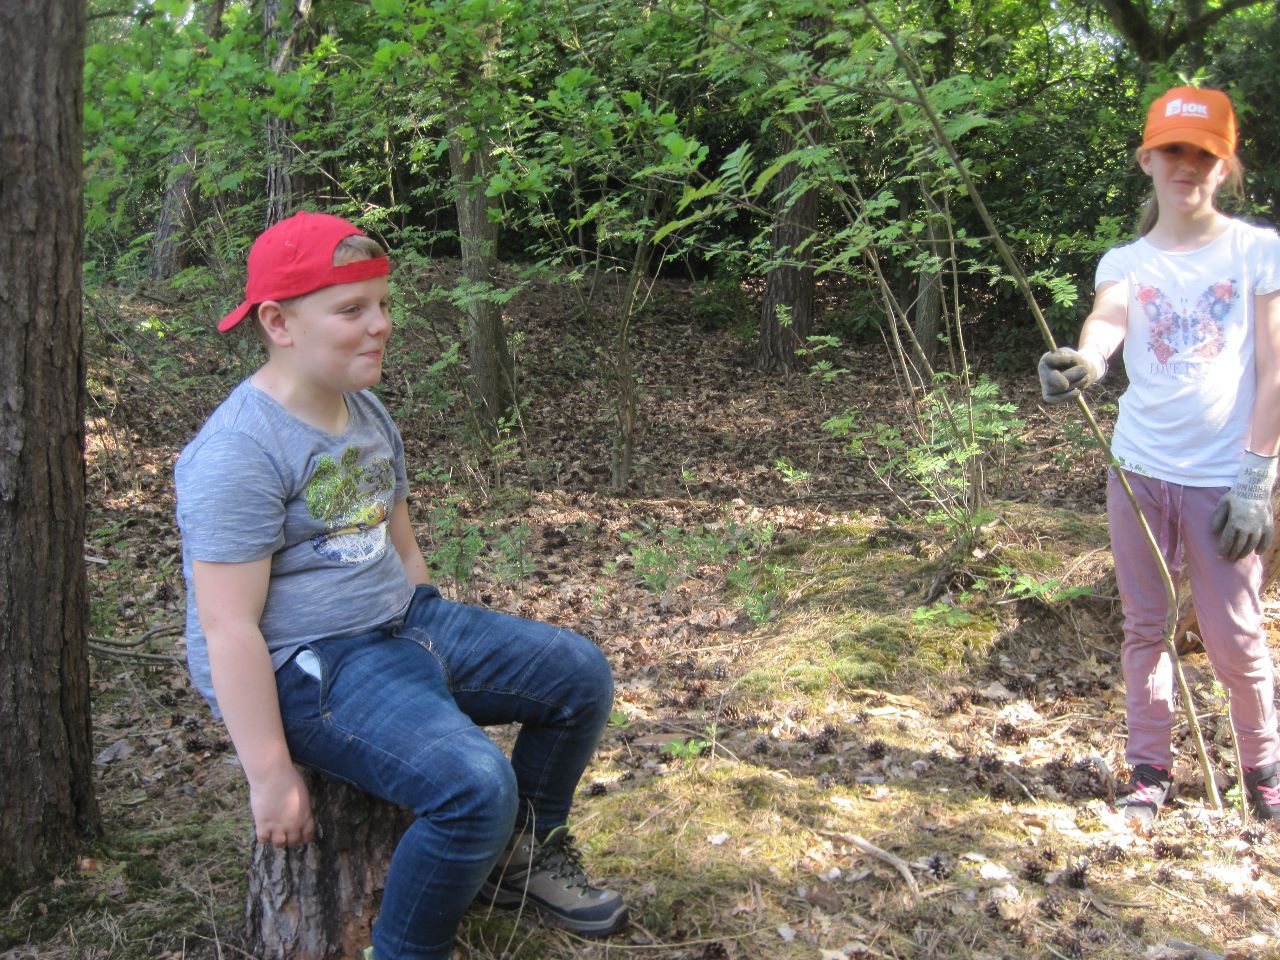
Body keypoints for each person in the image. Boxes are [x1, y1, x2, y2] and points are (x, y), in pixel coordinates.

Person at [175, 211, 627, 959]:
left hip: (399, 621)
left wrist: (434, 629)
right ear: (279, 322)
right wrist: (269, 771)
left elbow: (398, 534)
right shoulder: (238, 451)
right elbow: (228, 627)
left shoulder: (365, 408)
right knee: (474, 787)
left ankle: (522, 856)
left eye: (383, 304)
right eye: (352, 309)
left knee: (578, 675)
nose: (381, 324)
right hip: (308, 664)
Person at [1038, 86, 1280, 828]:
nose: (1187, 165)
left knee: (1235, 636)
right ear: (1147, 158)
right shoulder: (1128, 259)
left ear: (1225, 166)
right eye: (1174, 149)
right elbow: (1109, 318)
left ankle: (1264, 778)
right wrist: (1086, 359)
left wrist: (1256, 478)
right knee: (1146, 627)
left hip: (1222, 482)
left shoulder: (1256, 250)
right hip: (1139, 471)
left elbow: (1274, 370)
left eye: (1203, 153)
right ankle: (1148, 773)